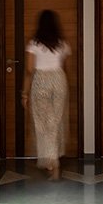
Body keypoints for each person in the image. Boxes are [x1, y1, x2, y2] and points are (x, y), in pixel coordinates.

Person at [21, 10, 70, 180]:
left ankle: (50, 161)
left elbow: (29, 70)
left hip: (41, 80)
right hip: (59, 80)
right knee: (55, 122)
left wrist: (24, 93)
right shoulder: (62, 44)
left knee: (42, 123)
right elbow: (65, 67)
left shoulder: (33, 44)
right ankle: (54, 158)